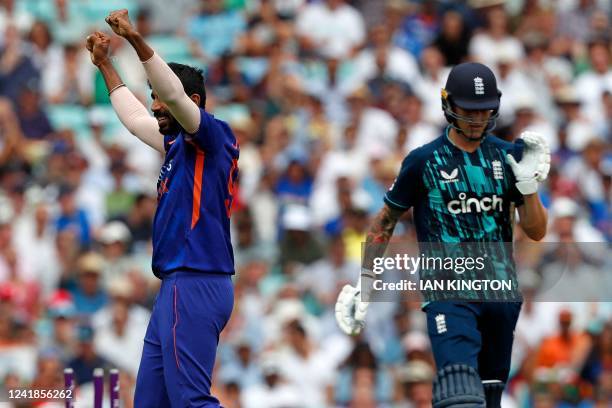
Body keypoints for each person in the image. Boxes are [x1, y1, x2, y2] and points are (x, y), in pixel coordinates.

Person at [335, 62, 550, 407]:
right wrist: (366, 281)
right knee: (460, 394)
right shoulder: (424, 160)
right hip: (448, 291)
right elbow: (385, 220)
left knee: (489, 396)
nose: (478, 119)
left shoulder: (509, 157)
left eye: (485, 111)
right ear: (448, 104)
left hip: (501, 293)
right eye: (469, 110)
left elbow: (537, 231)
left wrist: (529, 186)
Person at [85, 9, 239, 407]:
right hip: (179, 284)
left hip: (194, 279)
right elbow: (136, 120)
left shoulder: (213, 134)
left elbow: (171, 94)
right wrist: (106, 65)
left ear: (194, 102)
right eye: (153, 98)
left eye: (161, 99)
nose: (155, 106)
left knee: (190, 401)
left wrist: (135, 39)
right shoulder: (178, 146)